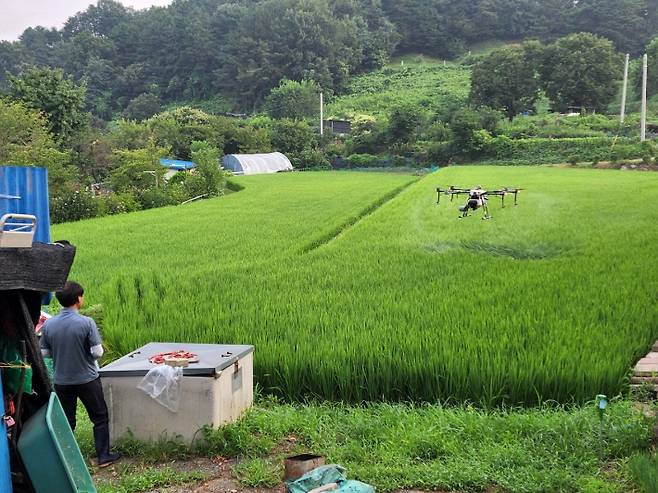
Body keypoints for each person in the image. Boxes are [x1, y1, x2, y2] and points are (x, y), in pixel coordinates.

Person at [40, 281, 120, 468]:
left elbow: (43, 353)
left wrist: (61, 353)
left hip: (62, 381)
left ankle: (68, 459)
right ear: (78, 299)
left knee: (68, 421)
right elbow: (98, 352)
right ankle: (103, 456)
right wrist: (84, 354)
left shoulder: (49, 324)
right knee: (99, 416)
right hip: (87, 379)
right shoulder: (86, 322)